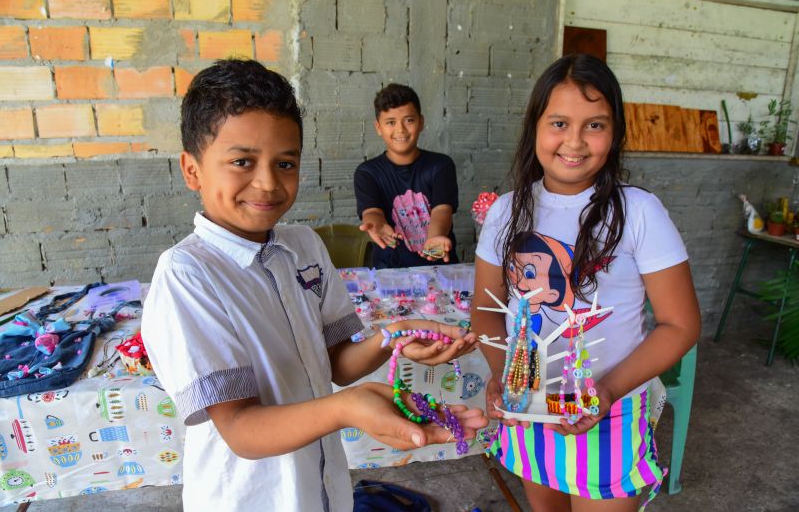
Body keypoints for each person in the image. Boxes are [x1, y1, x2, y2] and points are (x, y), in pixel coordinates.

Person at [140, 60, 486, 511]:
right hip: (251, 498)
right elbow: (241, 427)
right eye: (242, 161)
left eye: (286, 163)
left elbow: (337, 363)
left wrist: (394, 337)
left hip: (322, 486)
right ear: (192, 170)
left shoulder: (304, 246)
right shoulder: (188, 274)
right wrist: (349, 408)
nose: (267, 182)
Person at [471, 54, 701, 511]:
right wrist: (505, 378)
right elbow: (486, 309)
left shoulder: (638, 213)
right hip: (531, 412)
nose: (574, 141)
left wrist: (608, 391)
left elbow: (680, 324)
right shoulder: (505, 211)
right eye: (559, 122)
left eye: (594, 125)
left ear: (614, 134)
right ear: (535, 126)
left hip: (610, 414)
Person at [354, 83, 460, 268]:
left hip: (438, 270)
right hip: (390, 275)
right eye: (391, 122)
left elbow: (442, 210)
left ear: (421, 122)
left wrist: (435, 241)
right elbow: (372, 212)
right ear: (378, 127)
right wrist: (376, 224)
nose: (401, 130)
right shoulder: (367, 172)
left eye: (409, 120)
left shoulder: (441, 165)